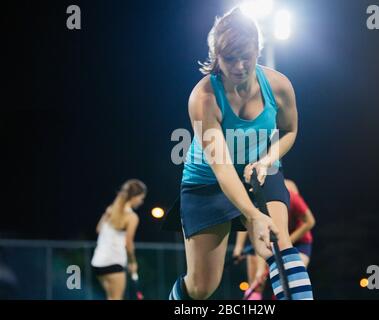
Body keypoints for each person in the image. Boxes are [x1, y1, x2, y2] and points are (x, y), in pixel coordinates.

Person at [167, 7, 313, 300]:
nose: (239, 66)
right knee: (201, 288)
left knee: (279, 245)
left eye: (246, 56)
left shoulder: (279, 86)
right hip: (207, 183)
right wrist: (252, 215)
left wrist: (268, 159)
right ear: (216, 57)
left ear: (258, 49)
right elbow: (222, 169)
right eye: (229, 59)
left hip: (261, 171)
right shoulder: (203, 98)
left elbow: (290, 131)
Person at [233, 178, 316, 299]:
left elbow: (310, 222)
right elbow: (255, 230)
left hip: (299, 242)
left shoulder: (293, 198)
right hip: (273, 240)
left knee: (289, 277)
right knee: (257, 280)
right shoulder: (257, 202)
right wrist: (260, 270)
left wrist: (287, 241)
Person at [91, 179, 147, 300]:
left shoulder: (111, 210)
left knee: (111, 297)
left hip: (98, 264)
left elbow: (98, 229)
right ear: (134, 196)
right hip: (113, 263)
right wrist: (132, 262)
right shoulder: (132, 217)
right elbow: (129, 243)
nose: (141, 201)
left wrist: (106, 214)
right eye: (141, 198)